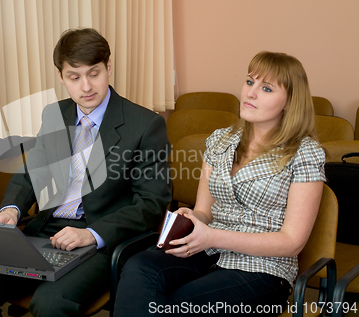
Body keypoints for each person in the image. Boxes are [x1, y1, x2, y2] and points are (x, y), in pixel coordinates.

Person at [0, 28, 172, 317]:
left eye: (94, 73)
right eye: (74, 77)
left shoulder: (145, 124)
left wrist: (91, 234)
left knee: (50, 304)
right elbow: (31, 172)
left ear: (109, 68)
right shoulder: (56, 114)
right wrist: (12, 209)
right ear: (61, 77)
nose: (86, 86)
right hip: (46, 231)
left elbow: (152, 204)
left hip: (100, 240)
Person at [113, 51, 326, 316]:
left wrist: (213, 235)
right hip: (208, 251)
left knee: (175, 305)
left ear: (290, 102)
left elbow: (292, 241)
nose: (251, 93)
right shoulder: (221, 140)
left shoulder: (305, 152)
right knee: (139, 265)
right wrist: (192, 216)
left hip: (264, 269)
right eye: (250, 82)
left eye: (267, 88)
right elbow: (205, 211)